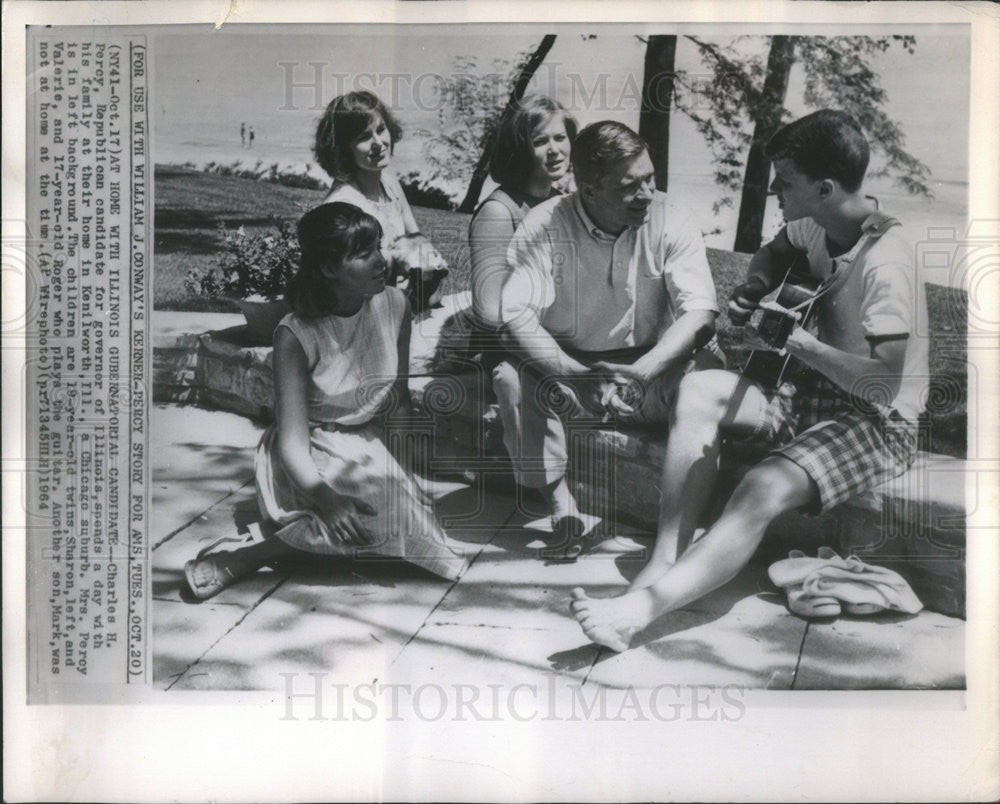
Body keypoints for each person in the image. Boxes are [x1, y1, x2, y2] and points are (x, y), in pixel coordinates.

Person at [570, 109, 928, 651]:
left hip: (877, 419)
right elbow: (777, 249)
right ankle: (664, 559)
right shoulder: (819, 222)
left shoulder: (887, 261)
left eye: (785, 183)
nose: (774, 193)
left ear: (825, 187)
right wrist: (755, 284)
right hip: (806, 395)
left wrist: (799, 342)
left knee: (760, 485)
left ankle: (641, 612)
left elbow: (882, 382)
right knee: (698, 387)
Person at [184, 203, 468, 600]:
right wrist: (326, 499)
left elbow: (397, 400)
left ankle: (298, 537)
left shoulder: (395, 306)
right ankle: (245, 557)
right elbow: (292, 442)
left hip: (365, 444)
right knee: (370, 518)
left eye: (379, 247)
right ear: (329, 268)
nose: (380, 261)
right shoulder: (295, 335)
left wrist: (403, 477)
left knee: (402, 520)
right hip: (308, 456)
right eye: (363, 253)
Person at [497, 120, 724, 560]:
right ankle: (563, 510)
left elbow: (701, 313)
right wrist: (575, 375)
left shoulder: (669, 218)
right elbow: (514, 319)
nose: (647, 195)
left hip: (652, 366)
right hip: (571, 373)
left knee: (708, 380)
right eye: (630, 186)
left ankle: (683, 527)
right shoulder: (545, 225)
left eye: (650, 180)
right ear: (589, 188)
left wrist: (643, 371)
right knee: (509, 376)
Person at [314, 90, 447, 312]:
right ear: (343, 148)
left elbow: (417, 240)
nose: (378, 143)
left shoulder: (389, 183)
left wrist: (425, 267)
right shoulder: (343, 205)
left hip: (401, 306)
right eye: (363, 137)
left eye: (381, 130)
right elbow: (344, 285)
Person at [468, 94, 577, 331]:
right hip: (512, 346)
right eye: (540, 142)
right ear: (519, 148)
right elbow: (488, 313)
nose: (554, 150)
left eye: (560, 138)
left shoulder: (563, 203)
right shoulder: (498, 212)